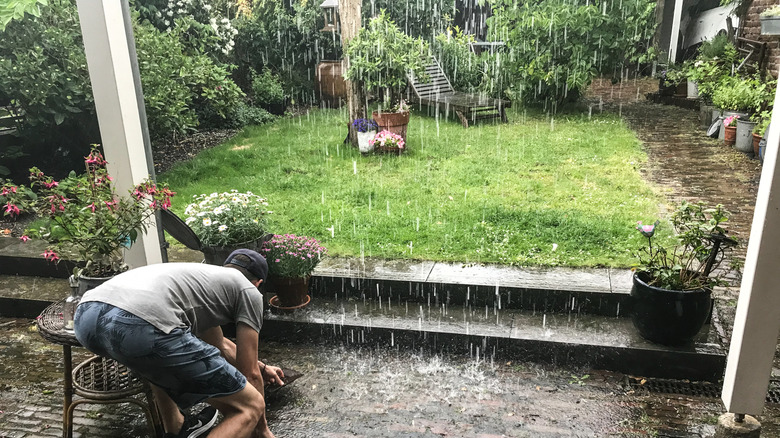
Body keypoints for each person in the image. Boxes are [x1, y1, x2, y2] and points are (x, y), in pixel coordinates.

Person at [73, 249, 284, 438]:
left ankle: (176, 430)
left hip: (86, 317)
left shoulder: (204, 280)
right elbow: (250, 375)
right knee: (248, 407)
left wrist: (262, 367)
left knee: (158, 361)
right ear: (259, 283)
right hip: (139, 324)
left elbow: (221, 345)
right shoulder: (250, 291)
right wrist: (260, 429)